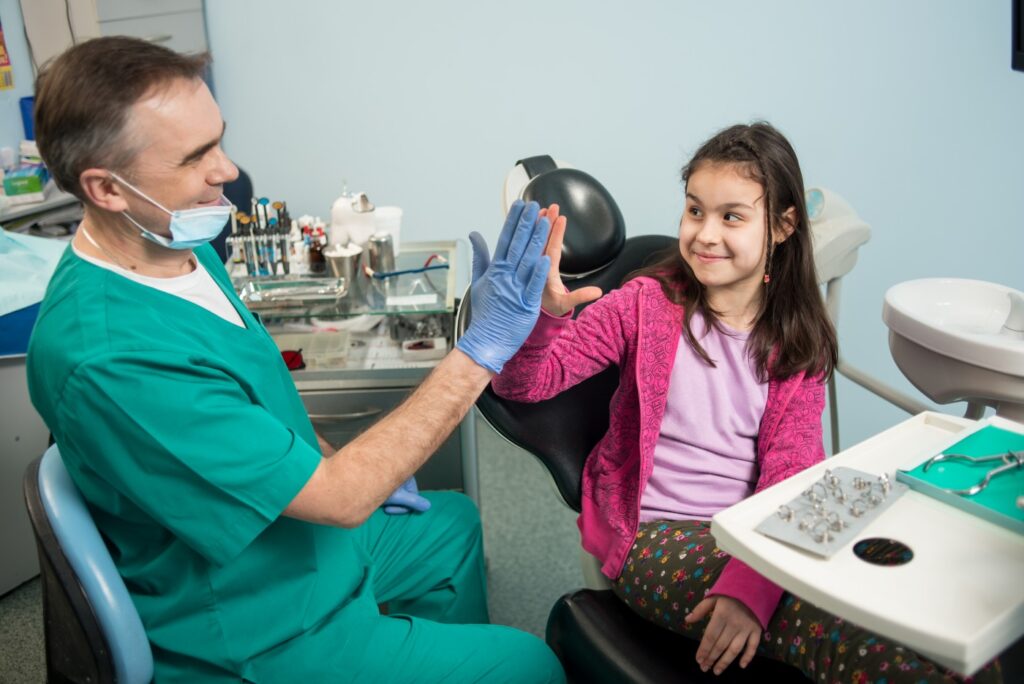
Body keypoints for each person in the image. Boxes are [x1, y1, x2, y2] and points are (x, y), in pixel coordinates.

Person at [27, 37, 564, 683]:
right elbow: (340, 503)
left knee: (450, 527)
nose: (226, 171)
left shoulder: (175, 248)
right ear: (106, 188)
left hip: (294, 539)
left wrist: (348, 461)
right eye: (196, 157)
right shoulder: (112, 359)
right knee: (528, 664)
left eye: (219, 140)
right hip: (252, 622)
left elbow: (261, 401)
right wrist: (480, 347)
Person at [492, 123, 1002, 683]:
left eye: (731, 216)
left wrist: (751, 580)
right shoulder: (644, 304)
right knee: (848, 635)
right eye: (694, 211)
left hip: (759, 529)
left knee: (946, 609)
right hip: (659, 534)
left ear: (782, 226)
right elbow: (525, 387)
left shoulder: (797, 344)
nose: (705, 234)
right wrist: (542, 317)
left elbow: (791, 476)